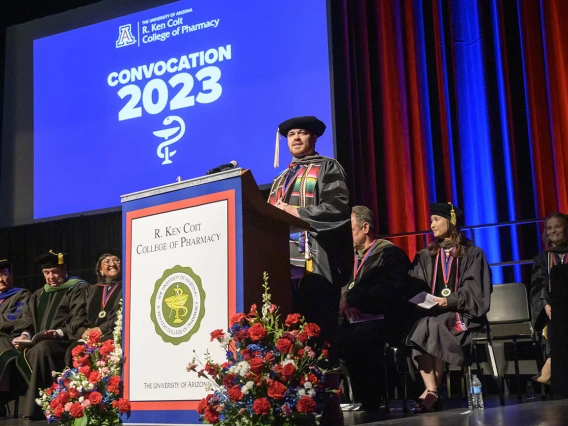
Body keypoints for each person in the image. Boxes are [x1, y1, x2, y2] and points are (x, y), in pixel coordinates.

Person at [268, 116, 351, 425]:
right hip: (281, 271)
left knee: (322, 338)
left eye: (302, 132)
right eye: (291, 134)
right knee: (288, 337)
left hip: (317, 266)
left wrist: (297, 212)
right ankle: (294, 407)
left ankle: (329, 406)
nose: (296, 137)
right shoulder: (278, 181)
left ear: (314, 138)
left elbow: (338, 209)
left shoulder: (328, 168)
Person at [407, 203, 492, 412]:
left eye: (436, 220)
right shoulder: (426, 255)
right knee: (422, 326)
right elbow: (414, 285)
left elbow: (475, 289)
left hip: (462, 313)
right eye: (431, 220)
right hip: (432, 313)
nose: (431, 224)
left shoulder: (472, 254)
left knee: (433, 325)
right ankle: (433, 390)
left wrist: (449, 301)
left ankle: (432, 392)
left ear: (451, 222)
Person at [338, 206, 414, 413]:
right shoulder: (349, 257)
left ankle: (373, 399)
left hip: (385, 319)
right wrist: (345, 304)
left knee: (362, 337)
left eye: (350, 229)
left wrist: (355, 302)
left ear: (365, 227)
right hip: (353, 318)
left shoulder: (389, 254)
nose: (347, 234)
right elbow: (343, 288)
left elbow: (388, 291)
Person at [12, 251, 89, 420]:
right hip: (39, 345)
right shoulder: (39, 294)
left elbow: (80, 319)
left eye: (54, 272)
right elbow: (28, 321)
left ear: (64, 269)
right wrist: (25, 335)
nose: (51, 277)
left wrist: (58, 333)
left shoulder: (78, 288)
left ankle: (37, 409)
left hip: (66, 343)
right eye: (46, 273)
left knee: (43, 348)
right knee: (19, 353)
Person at [530, 212, 568, 386]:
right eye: (549, 227)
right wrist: (546, 306)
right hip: (553, 310)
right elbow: (539, 287)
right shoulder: (542, 259)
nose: (553, 231)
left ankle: (548, 369)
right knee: (556, 323)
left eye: (558, 226)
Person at [66, 251, 122, 366]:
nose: (112, 263)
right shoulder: (90, 290)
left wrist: (101, 329)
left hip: (112, 334)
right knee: (73, 349)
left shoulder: (127, 287)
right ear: (100, 270)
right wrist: (83, 332)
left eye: (116, 260)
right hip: (88, 338)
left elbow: (123, 313)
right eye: (107, 261)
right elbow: (77, 314)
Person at [0, 259, 30, 415]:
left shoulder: (21, 295)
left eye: (3, 274)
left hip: (9, 339)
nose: (0, 279)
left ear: (10, 275)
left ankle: (1, 399)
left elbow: (14, 319)